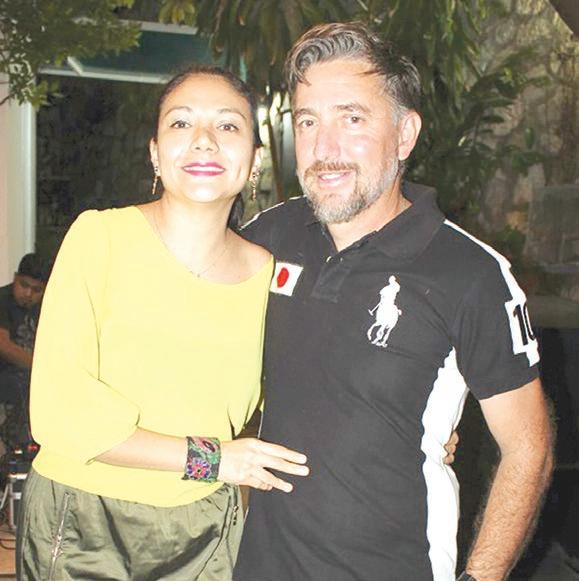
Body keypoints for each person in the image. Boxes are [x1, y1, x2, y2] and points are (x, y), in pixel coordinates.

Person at [234, 23, 554, 581]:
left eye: (352, 119)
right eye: (308, 121)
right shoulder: (268, 236)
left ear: (405, 135)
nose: (324, 149)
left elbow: (529, 447)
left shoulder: (471, 274)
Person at [16, 65, 309, 581]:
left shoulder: (269, 276)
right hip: (82, 521)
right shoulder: (100, 238)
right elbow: (60, 413)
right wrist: (213, 460)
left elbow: (306, 386)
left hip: (203, 531)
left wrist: (417, 428)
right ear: (155, 153)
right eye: (181, 123)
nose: (204, 140)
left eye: (228, 125)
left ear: (255, 159)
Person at [0, 253, 47, 446]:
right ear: (15, 278)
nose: (28, 294)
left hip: (30, 381)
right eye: (24, 285)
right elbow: (4, 346)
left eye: (36, 290)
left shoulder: (47, 306)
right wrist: (42, 368)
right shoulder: (3, 300)